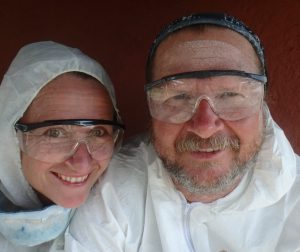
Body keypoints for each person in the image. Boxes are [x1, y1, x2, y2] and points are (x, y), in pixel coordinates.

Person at [65, 13, 300, 252]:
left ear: (263, 103)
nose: (205, 127)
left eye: (230, 95)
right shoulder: (112, 193)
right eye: (178, 96)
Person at [0, 41, 124, 251]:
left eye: (97, 132)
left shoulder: (127, 210)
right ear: (9, 136)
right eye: (55, 133)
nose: (82, 163)